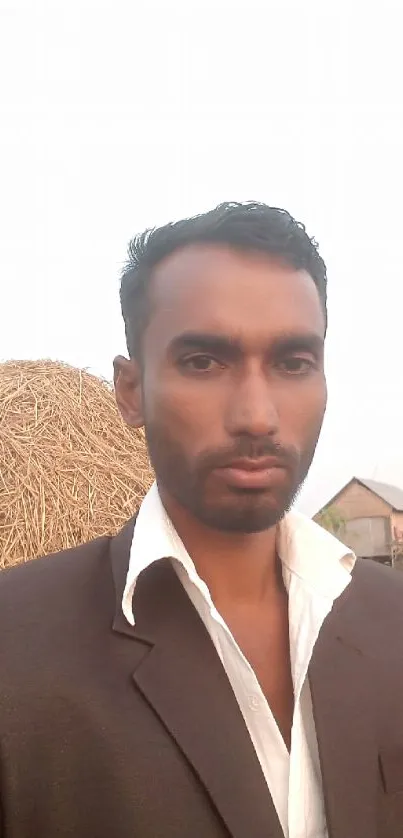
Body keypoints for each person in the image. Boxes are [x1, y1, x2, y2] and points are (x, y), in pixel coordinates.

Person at [0, 202, 402, 838]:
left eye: (293, 363)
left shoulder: (393, 621)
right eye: (203, 362)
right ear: (131, 391)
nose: (256, 416)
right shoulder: (14, 646)